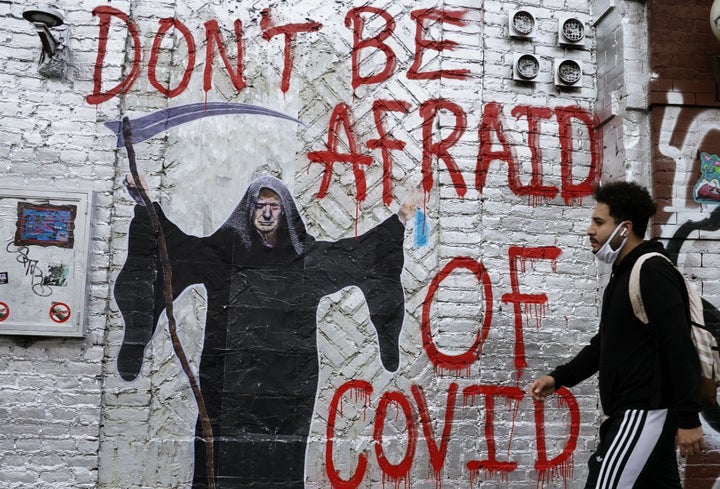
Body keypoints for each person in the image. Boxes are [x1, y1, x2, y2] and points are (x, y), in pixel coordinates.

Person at [114, 175, 422, 488]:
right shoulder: (223, 254)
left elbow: (357, 255)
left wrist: (401, 217)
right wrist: (147, 204)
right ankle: (137, 334)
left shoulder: (305, 259)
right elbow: (175, 248)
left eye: (273, 206)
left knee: (278, 468)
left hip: (287, 389)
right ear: (248, 210)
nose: (266, 213)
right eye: (260, 205)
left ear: (285, 211)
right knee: (220, 464)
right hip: (226, 386)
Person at [528, 181, 705, 488]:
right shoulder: (623, 274)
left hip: (643, 413)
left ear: (625, 228)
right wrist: (560, 378)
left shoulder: (651, 272)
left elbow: (678, 346)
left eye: (598, 222)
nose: (589, 230)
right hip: (637, 414)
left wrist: (689, 419)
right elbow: (605, 343)